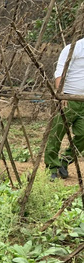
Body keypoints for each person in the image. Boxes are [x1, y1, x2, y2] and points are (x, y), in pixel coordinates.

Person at [44, 37, 84, 180]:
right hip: (68, 99)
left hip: (83, 101)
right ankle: (51, 168)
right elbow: (59, 73)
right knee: (57, 133)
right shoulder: (73, 49)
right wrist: (61, 95)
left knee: (83, 135)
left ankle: (65, 161)